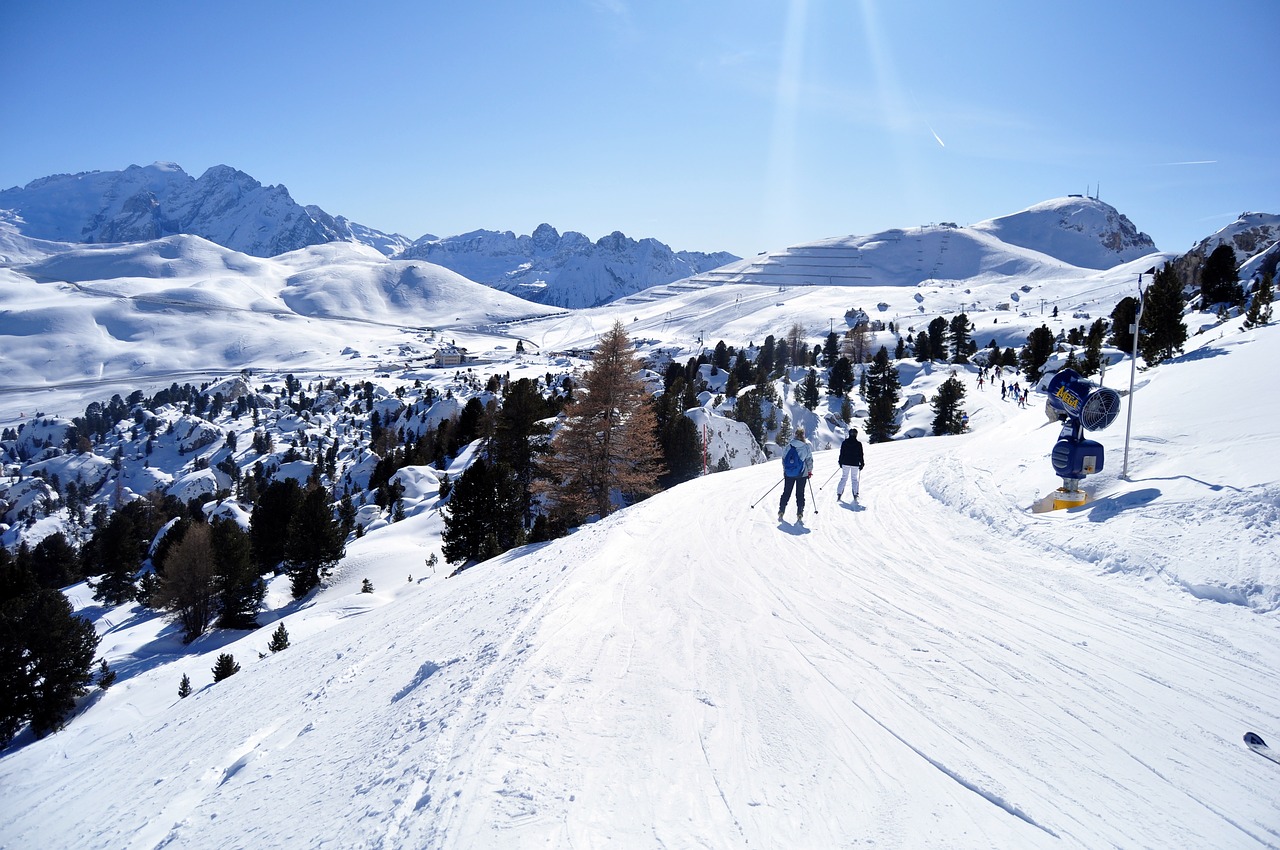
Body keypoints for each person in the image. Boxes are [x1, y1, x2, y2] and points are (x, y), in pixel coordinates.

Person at [778, 425, 814, 522]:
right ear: (803, 435)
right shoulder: (806, 447)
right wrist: (809, 471)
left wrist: (786, 470)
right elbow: (809, 460)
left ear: (795, 435)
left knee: (786, 492)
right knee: (800, 494)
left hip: (789, 474)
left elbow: (784, 459)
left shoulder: (789, 446)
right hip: (802, 474)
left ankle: (781, 510)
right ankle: (800, 512)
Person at [835, 427, 865, 502]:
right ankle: (855, 494)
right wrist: (862, 463)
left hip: (845, 462)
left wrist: (840, 462)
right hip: (855, 463)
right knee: (854, 479)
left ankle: (839, 494)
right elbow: (861, 454)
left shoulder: (845, 443)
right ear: (856, 435)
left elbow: (842, 453)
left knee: (844, 478)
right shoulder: (858, 444)